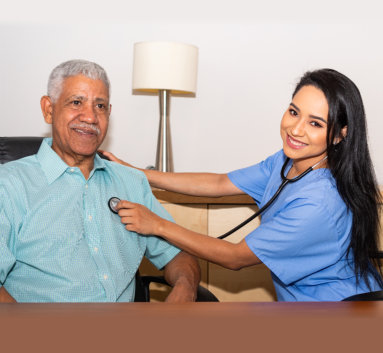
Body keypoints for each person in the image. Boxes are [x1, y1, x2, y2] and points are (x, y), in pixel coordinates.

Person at [102, 68, 383, 301]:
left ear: (339, 136)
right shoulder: (287, 162)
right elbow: (220, 182)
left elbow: (235, 257)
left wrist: (157, 224)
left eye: (316, 124)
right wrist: (138, 173)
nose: (296, 130)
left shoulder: (319, 204)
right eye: (294, 112)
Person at [0, 59, 200, 303]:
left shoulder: (132, 182)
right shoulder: (9, 185)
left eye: (100, 106)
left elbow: (178, 255)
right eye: (76, 102)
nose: (90, 117)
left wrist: (185, 287)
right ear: (48, 109)